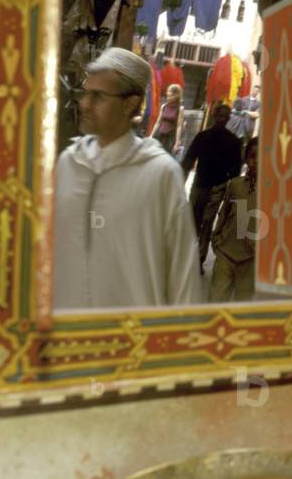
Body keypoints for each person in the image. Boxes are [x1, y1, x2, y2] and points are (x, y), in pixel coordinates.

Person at [53, 47, 205, 309]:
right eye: (84, 93)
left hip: (132, 341)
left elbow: (183, 275)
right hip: (68, 336)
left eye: (98, 96)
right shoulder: (69, 163)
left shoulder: (160, 174)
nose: (84, 104)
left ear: (130, 103)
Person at [181, 104, 242, 275]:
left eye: (224, 116)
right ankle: (186, 258)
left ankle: (199, 259)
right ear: (214, 116)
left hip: (217, 187)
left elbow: (235, 172)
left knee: (207, 223)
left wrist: (231, 196)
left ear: (229, 118)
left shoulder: (233, 142)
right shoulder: (203, 136)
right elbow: (188, 160)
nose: (221, 119)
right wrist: (180, 184)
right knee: (192, 221)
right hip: (199, 184)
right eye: (219, 116)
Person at [209, 138, 260, 302]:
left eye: (261, 156)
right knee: (215, 303)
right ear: (246, 158)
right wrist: (216, 238)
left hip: (250, 260)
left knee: (242, 310)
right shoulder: (235, 185)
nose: (256, 161)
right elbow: (223, 214)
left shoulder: (271, 190)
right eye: (252, 156)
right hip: (226, 254)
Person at [150, 83, 184, 155]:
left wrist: (177, 142)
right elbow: (158, 122)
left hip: (170, 138)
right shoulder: (164, 106)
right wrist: (151, 135)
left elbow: (179, 126)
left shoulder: (180, 109)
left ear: (176, 95)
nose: (168, 98)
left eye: (170, 96)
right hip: (159, 135)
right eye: (167, 95)